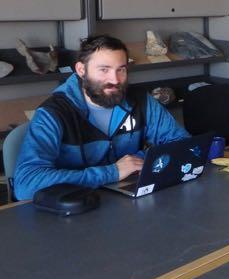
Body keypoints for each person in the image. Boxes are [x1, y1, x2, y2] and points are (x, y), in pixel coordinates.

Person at [13, 35, 189, 200]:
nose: (114, 79)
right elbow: (26, 184)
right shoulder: (53, 114)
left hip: (126, 201)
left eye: (121, 70)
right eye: (104, 70)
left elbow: (183, 143)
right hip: (74, 206)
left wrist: (137, 160)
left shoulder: (142, 102)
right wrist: (112, 172)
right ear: (81, 70)